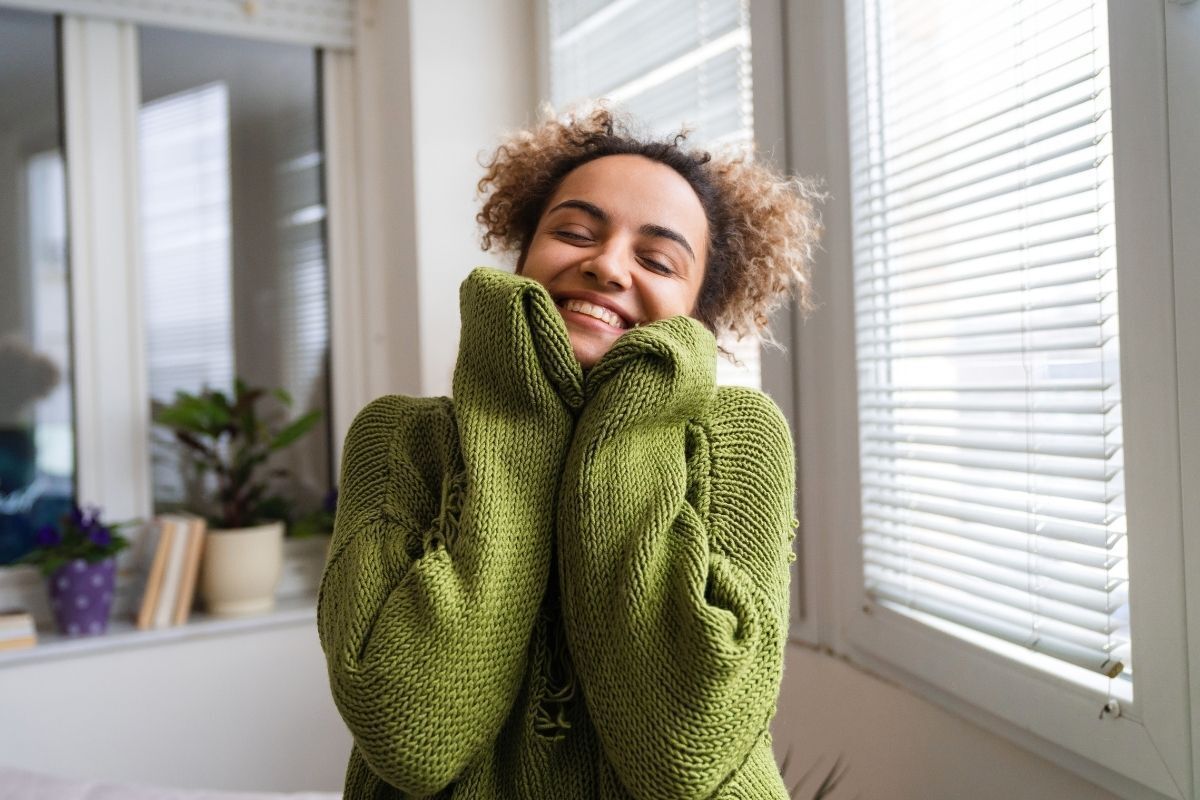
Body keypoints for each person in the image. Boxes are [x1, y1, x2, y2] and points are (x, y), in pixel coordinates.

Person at [317, 106, 822, 799]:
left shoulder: (744, 437)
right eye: (575, 232)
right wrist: (520, 414)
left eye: (657, 260)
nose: (607, 266)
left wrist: (630, 421)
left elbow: (683, 751)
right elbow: (409, 734)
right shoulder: (396, 439)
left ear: (699, 315)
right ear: (523, 256)